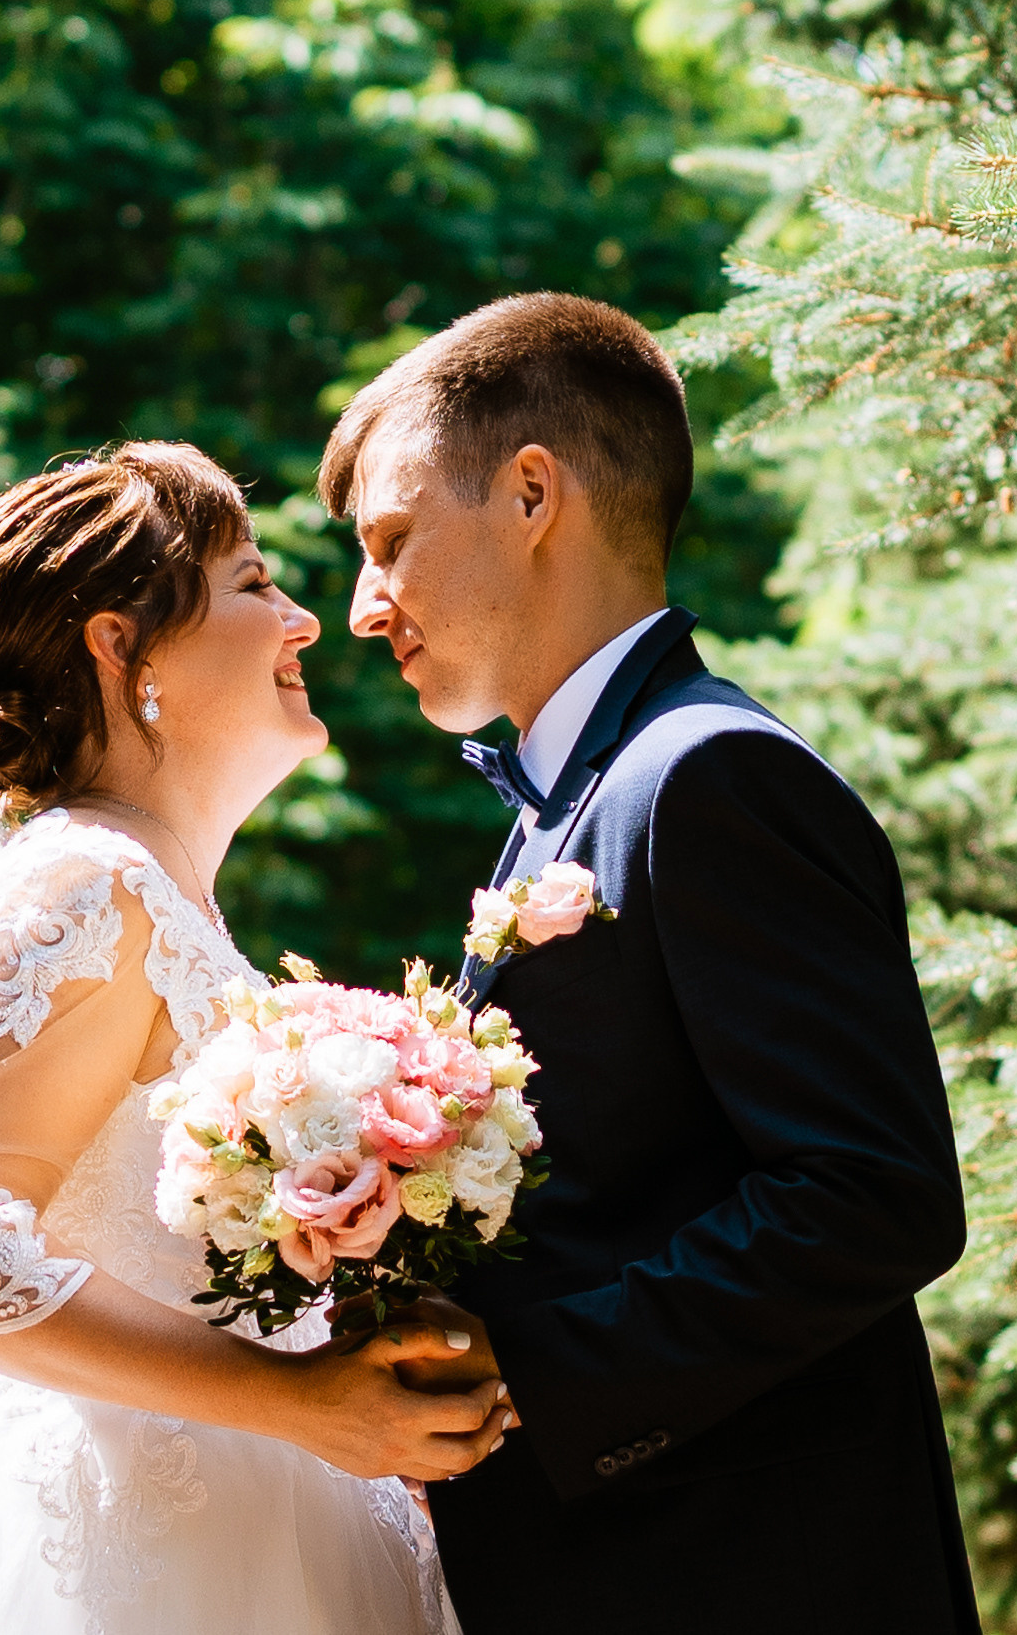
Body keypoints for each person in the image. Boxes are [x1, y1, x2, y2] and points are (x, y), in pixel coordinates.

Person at [324, 291, 976, 1635]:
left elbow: (870, 1195)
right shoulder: (558, 810)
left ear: (527, 493)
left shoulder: (709, 777)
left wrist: (526, 1373)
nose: (358, 608)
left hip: (748, 1578)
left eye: (387, 543)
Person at [0, 440, 506, 1635]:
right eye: (252, 583)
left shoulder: (160, 898)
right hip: (123, 1561)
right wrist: (290, 1402)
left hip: (270, 1530)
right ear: (118, 645)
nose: (303, 621)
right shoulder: (82, 881)